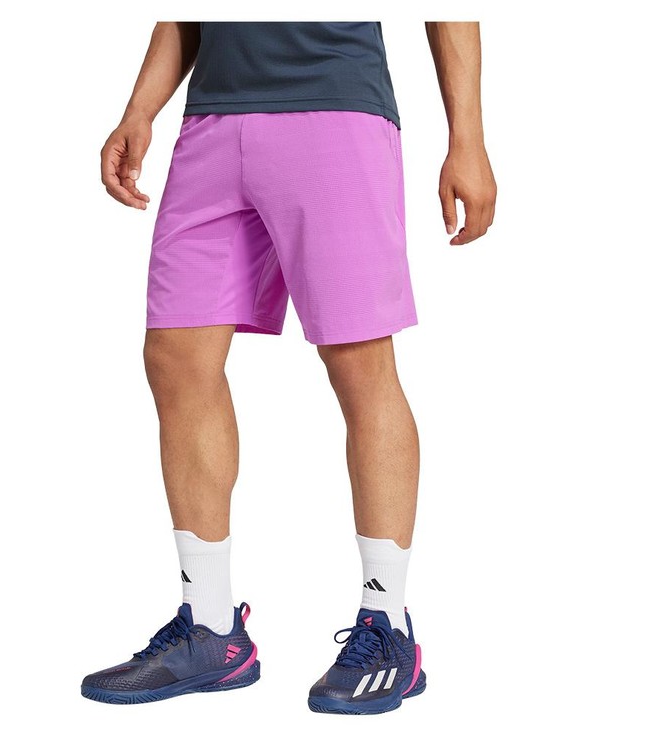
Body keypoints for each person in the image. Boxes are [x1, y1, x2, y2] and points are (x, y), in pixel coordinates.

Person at [82, 21, 496, 714]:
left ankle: (387, 625)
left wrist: (469, 138)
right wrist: (140, 109)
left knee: (359, 363)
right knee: (176, 356)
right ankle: (211, 629)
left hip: (335, 109)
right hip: (213, 120)